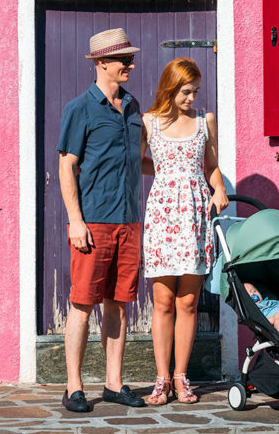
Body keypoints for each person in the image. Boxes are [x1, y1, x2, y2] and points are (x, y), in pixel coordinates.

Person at [57, 28, 147, 413]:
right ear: (101, 63)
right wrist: (75, 221)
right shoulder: (79, 109)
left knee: (119, 304)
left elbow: (139, 161)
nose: (130, 64)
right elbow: (66, 166)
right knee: (81, 303)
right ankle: (74, 386)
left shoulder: (133, 106)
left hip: (129, 222)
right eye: (123, 59)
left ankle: (113, 383)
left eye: (130, 58)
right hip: (93, 223)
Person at [140, 58, 228, 405]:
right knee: (162, 301)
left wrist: (218, 188)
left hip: (195, 215)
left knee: (188, 301)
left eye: (195, 91)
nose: (192, 97)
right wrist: (167, 172)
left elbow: (212, 166)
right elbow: (137, 160)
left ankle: (181, 376)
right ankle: (161, 378)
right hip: (162, 214)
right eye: (186, 91)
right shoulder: (149, 122)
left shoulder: (205, 121)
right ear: (170, 87)